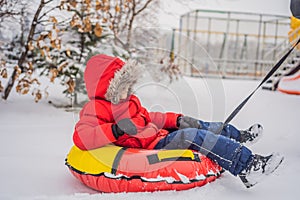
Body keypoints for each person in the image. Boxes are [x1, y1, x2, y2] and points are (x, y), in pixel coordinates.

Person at [73, 54, 283, 188]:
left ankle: (238, 135)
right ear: (107, 85)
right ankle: (248, 166)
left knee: (195, 124)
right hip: (151, 147)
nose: (127, 87)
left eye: (128, 82)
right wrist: (116, 131)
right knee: (194, 136)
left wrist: (175, 119)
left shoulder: (129, 100)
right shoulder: (95, 108)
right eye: (122, 82)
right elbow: (81, 137)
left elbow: (148, 117)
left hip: (157, 136)